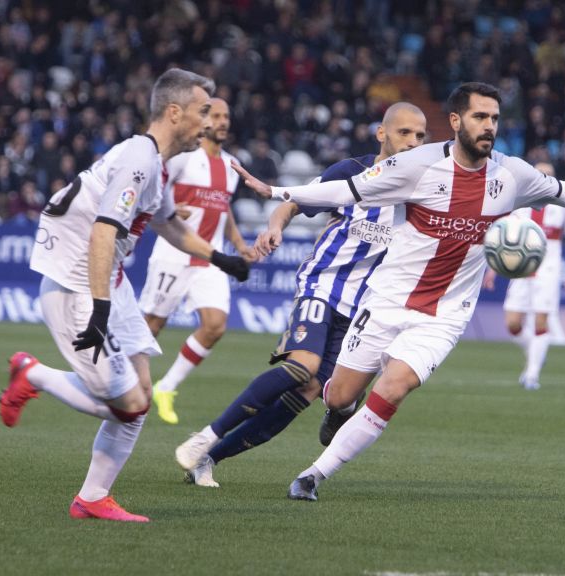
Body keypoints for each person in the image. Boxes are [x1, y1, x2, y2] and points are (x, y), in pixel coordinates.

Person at [210, 81, 565, 501]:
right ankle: (337, 408)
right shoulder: (415, 165)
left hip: (446, 313)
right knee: (337, 394)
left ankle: (313, 475)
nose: (489, 126)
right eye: (479, 117)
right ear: (456, 121)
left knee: (396, 384)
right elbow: (345, 191)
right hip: (386, 300)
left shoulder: (511, 176)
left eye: (494, 118)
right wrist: (274, 192)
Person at [0, 69, 253, 522]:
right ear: (174, 113)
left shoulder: (154, 164)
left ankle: (93, 498)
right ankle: (32, 374)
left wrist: (220, 258)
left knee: (141, 395)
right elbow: (103, 231)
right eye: (202, 111)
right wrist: (99, 310)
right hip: (79, 287)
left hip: (109, 282)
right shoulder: (138, 158)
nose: (209, 120)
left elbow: (169, 225)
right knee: (129, 404)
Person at [174, 103, 427, 487]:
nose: (413, 142)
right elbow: (293, 203)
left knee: (308, 392)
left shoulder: (423, 193)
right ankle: (204, 436)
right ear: (382, 134)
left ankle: (209, 458)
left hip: (364, 308)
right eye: (405, 133)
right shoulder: (351, 174)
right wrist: (274, 227)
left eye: (420, 136)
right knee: (302, 367)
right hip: (321, 286)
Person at [138, 97, 255, 425]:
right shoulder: (183, 159)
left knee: (216, 325)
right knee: (151, 326)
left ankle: (167, 386)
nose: (222, 121)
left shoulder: (231, 166)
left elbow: (223, 208)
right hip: (173, 254)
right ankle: (126, 385)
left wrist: (239, 243)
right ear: (203, 121)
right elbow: (155, 184)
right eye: (215, 115)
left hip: (210, 260)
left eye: (226, 116)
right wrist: (169, 208)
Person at [483, 161, 565, 390]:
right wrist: (492, 269)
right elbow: (503, 239)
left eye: (550, 175)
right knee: (513, 324)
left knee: (540, 322)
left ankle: (531, 374)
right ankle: (536, 353)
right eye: (541, 174)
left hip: (548, 269)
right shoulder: (519, 202)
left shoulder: (564, 205)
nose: (545, 179)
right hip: (520, 269)